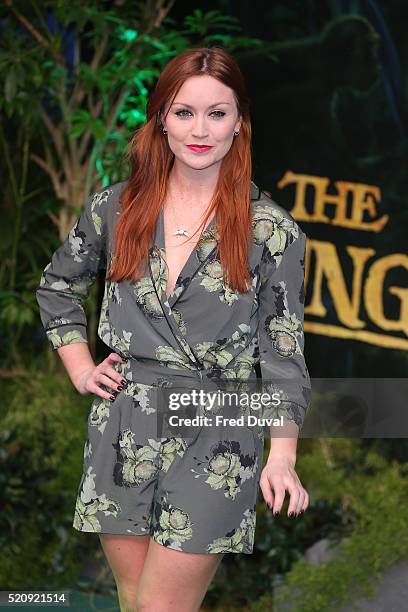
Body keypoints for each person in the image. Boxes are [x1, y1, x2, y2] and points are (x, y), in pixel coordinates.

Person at [36, 46, 312, 612]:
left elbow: (282, 348)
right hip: (124, 422)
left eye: (217, 113)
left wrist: (282, 454)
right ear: (161, 118)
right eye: (184, 112)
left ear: (240, 122)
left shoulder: (272, 232)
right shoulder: (115, 209)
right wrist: (81, 368)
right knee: (133, 600)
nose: (200, 129)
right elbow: (58, 288)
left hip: (218, 428)